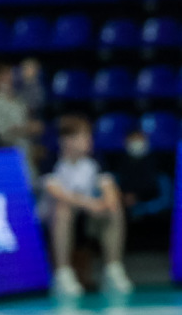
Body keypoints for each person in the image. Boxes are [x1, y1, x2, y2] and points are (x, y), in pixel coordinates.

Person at [42, 114, 131, 296]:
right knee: (63, 210)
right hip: (53, 219)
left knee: (114, 209)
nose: (89, 141)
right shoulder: (51, 161)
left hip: (87, 217)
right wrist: (90, 204)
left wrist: (106, 204)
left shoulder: (95, 160)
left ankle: (113, 269)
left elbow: (110, 189)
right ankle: (62, 274)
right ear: (67, 140)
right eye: (83, 137)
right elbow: (57, 193)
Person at [0, 60, 42, 181]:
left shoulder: (16, 96)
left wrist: (31, 81)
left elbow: (36, 102)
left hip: (28, 148)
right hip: (10, 153)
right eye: (5, 74)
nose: (9, 77)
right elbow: (0, 131)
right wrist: (27, 129)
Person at [107, 126, 172, 223]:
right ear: (126, 142)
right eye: (133, 139)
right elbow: (112, 190)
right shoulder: (117, 164)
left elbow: (165, 200)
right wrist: (122, 198)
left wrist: (141, 205)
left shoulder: (159, 164)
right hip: (124, 212)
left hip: (153, 215)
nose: (137, 143)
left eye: (140, 139)